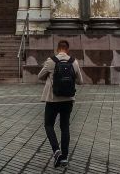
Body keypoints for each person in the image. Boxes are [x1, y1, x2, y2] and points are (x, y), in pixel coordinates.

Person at [38, 39, 84, 168]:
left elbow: (39, 76)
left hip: (53, 99)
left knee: (48, 125)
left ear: (58, 49)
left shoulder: (51, 61)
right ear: (67, 49)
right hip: (68, 99)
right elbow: (80, 81)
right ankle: (64, 158)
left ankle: (56, 150)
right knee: (65, 127)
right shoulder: (73, 61)